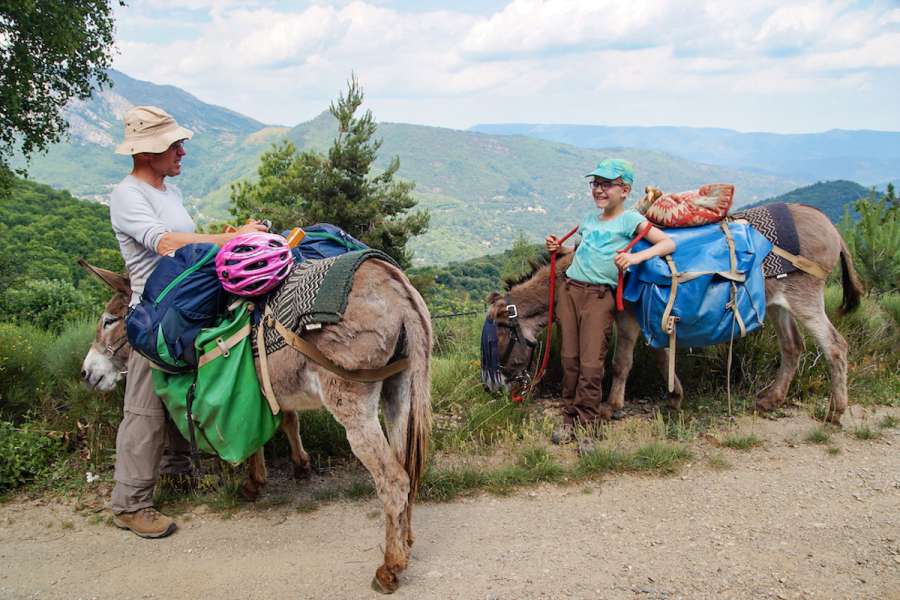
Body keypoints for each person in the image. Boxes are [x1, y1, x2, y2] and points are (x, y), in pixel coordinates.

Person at [109, 106, 266, 538]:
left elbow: (189, 249)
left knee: (181, 392)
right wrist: (231, 239)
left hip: (183, 313)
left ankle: (179, 469)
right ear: (147, 151)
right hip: (154, 318)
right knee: (143, 411)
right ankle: (130, 504)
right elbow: (166, 245)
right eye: (174, 144)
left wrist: (229, 237)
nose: (182, 151)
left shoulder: (166, 192)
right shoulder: (128, 195)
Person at [545, 158, 675, 441]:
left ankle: (587, 424)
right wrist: (561, 248)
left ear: (625, 190)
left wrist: (635, 257)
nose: (599, 190)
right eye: (596, 184)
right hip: (570, 291)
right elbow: (585, 250)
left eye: (607, 185)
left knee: (592, 364)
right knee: (570, 359)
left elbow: (667, 242)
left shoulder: (631, 220)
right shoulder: (590, 219)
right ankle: (569, 418)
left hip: (599, 296)